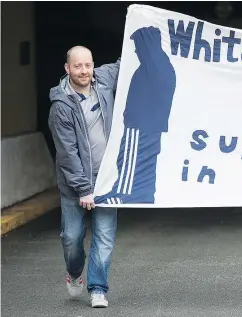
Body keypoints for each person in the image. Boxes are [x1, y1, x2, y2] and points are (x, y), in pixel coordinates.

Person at [48, 46, 120, 308]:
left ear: (93, 65)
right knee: (72, 239)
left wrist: (148, 26)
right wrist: (83, 189)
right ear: (67, 69)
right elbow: (67, 154)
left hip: (106, 179)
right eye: (77, 66)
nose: (84, 71)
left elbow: (128, 62)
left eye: (87, 65)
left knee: (104, 236)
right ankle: (75, 271)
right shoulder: (61, 106)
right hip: (74, 184)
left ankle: (98, 289)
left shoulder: (103, 80)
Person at [94, 26, 176, 205]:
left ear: (146, 44)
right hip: (151, 125)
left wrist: (131, 118)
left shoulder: (153, 65)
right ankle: (142, 193)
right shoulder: (161, 63)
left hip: (140, 125)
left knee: (130, 159)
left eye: (138, 44)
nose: (136, 50)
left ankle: (124, 192)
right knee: (145, 161)